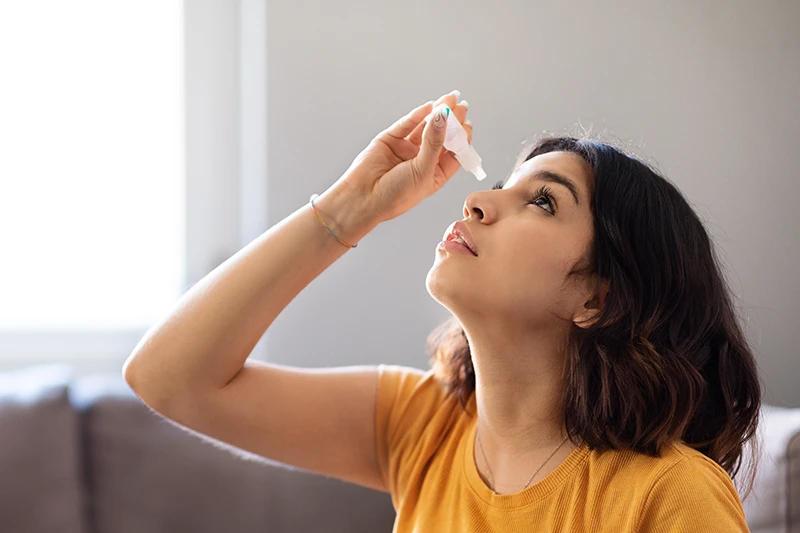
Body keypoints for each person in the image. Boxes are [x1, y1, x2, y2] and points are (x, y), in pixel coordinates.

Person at [123, 90, 761, 532]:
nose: (479, 201)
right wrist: (350, 207)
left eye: (542, 202)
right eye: (501, 185)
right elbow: (169, 379)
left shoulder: (669, 496)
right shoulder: (423, 429)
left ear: (597, 298)